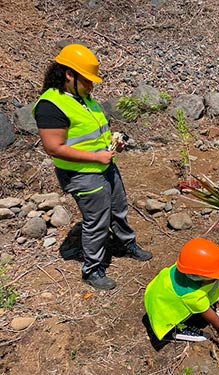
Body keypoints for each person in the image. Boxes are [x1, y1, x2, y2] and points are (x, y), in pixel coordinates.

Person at [33, 43, 152, 290]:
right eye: (87, 79)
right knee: (96, 220)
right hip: (82, 173)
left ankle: (124, 244)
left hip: (104, 165)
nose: (92, 84)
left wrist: (111, 142)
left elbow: (91, 133)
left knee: (119, 208)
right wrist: (96, 158)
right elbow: (53, 147)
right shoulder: (51, 105)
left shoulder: (83, 98)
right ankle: (93, 269)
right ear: (69, 74)